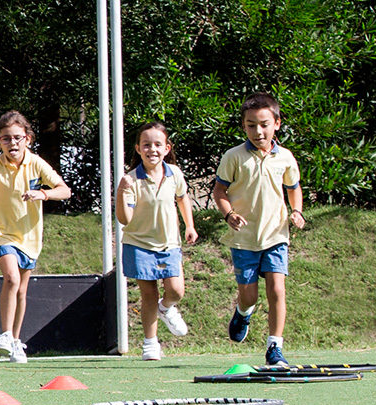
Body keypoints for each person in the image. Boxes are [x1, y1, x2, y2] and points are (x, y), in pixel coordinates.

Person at [0, 111, 71, 364]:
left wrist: (42, 194)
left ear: (28, 139)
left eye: (17, 138)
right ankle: (4, 335)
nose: (12, 144)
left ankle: (14, 342)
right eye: (6, 139)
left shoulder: (37, 163)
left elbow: (64, 190)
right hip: (1, 233)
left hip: (30, 236)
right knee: (10, 278)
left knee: (21, 290)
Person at [212, 92, 306, 366]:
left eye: (264, 124)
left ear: (277, 123)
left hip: (276, 235)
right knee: (249, 295)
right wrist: (228, 213)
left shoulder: (286, 157)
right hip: (244, 239)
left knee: (277, 289)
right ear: (243, 126)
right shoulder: (233, 157)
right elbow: (220, 189)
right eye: (251, 125)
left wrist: (296, 211)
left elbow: (293, 188)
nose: (258, 131)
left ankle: (274, 348)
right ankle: (243, 312)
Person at [114, 121, 195, 361]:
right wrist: (120, 191)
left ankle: (166, 307)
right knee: (148, 294)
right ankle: (150, 343)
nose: (153, 150)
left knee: (176, 291)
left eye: (158, 144)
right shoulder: (130, 180)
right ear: (138, 149)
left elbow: (183, 198)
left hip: (170, 243)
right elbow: (125, 219)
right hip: (139, 244)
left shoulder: (175, 173)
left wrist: (189, 225)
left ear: (167, 148)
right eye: (146, 145)